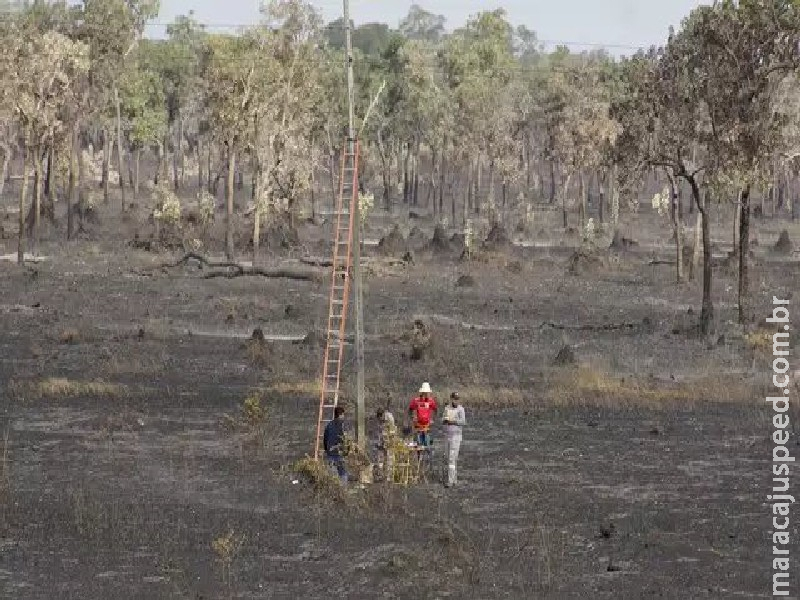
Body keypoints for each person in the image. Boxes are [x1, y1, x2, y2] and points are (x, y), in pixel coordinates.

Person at [442, 392, 466, 487]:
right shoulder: (447, 408)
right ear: (451, 399)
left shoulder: (461, 409)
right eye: (454, 399)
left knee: (452, 458)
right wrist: (445, 420)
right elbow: (443, 419)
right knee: (449, 458)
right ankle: (454, 479)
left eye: (457, 399)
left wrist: (453, 421)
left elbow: (463, 422)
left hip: (456, 437)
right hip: (447, 435)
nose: (455, 401)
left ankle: (450, 481)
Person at [409, 382, 438, 448]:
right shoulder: (416, 400)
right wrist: (412, 417)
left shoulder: (431, 401)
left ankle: (427, 454)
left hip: (427, 425)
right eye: (426, 393)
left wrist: (433, 419)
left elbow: (435, 409)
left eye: (428, 393)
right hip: (418, 425)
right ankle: (419, 456)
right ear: (423, 393)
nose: (428, 394)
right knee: (418, 444)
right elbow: (410, 409)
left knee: (427, 444)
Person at [323, 405, 348, 483]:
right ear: (340, 415)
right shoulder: (341, 425)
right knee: (342, 473)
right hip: (338, 453)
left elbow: (325, 439)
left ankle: (334, 491)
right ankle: (343, 491)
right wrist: (346, 451)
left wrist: (326, 450)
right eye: (343, 415)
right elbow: (344, 440)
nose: (344, 417)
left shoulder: (328, 425)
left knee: (331, 476)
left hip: (330, 453)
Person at [376, 407, 397, 480]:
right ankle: (380, 475)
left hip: (389, 441)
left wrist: (388, 441)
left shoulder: (389, 417)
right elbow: (380, 431)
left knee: (390, 458)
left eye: (381, 418)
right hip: (382, 441)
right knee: (380, 458)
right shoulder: (380, 421)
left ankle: (389, 476)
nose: (380, 420)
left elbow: (392, 431)